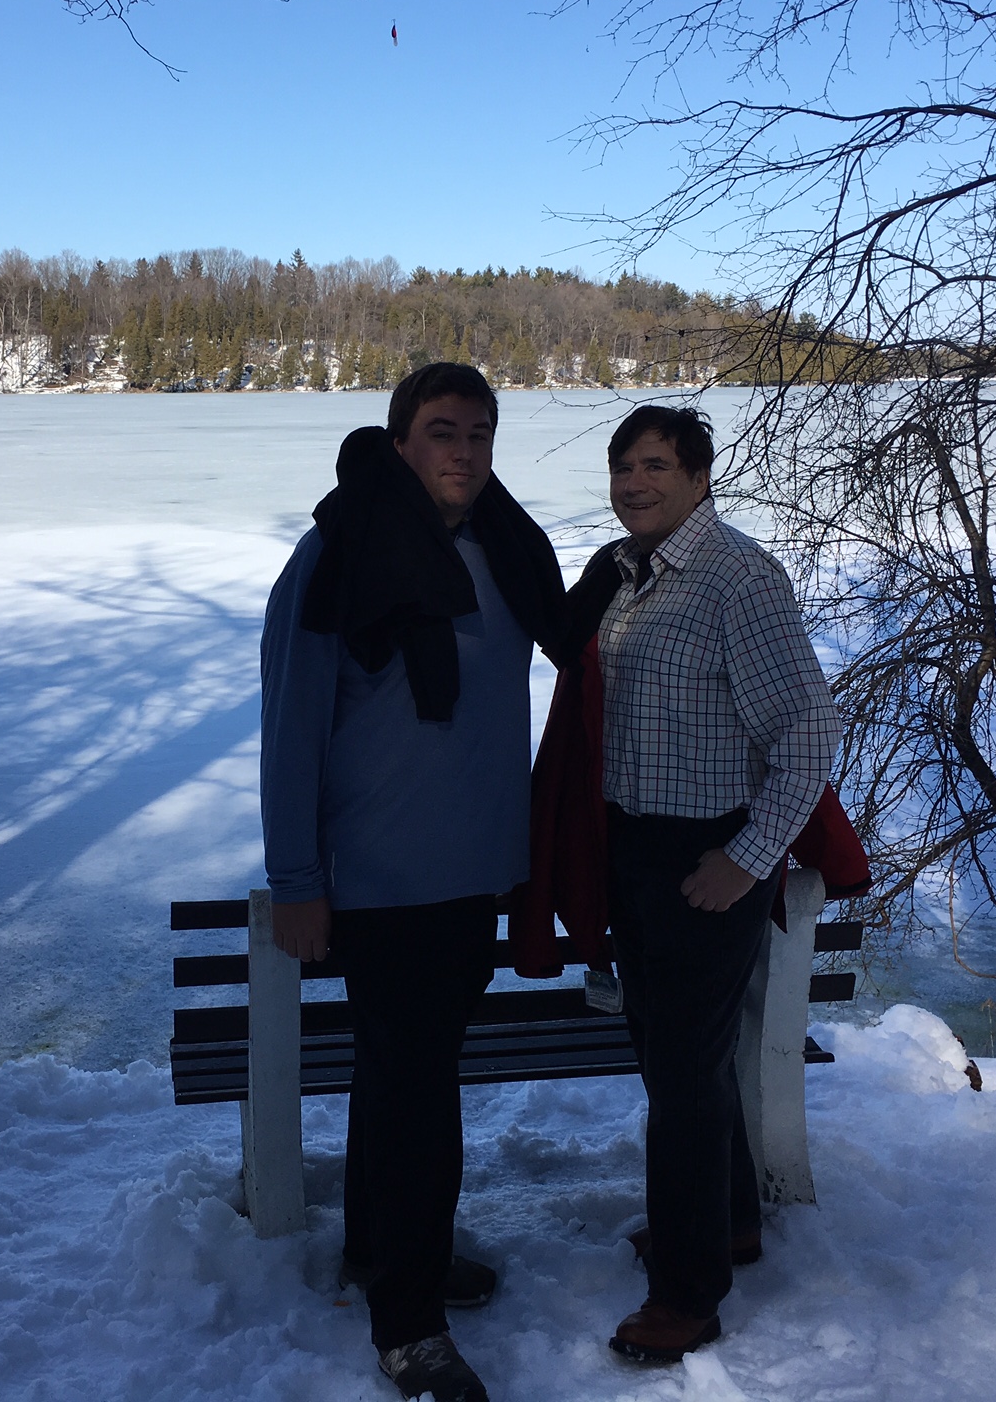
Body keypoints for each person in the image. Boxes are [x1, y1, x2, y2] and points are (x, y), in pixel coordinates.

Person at [259, 363, 565, 1402]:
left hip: (474, 877)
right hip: (385, 886)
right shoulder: (336, 558)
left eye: (481, 433)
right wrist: (298, 879)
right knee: (418, 1100)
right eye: (443, 432)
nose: (466, 453)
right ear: (399, 443)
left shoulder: (505, 552)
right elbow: (292, 729)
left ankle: (381, 1250)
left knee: (402, 1088)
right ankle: (410, 1322)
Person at [593, 405, 842, 1363]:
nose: (633, 482)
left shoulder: (738, 578)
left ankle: (689, 1294)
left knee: (686, 1082)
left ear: (700, 478)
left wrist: (747, 859)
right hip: (642, 855)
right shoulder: (634, 576)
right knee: (675, 1062)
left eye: (655, 465)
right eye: (622, 466)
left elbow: (810, 730)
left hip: (706, 858)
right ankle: (730, 1219)